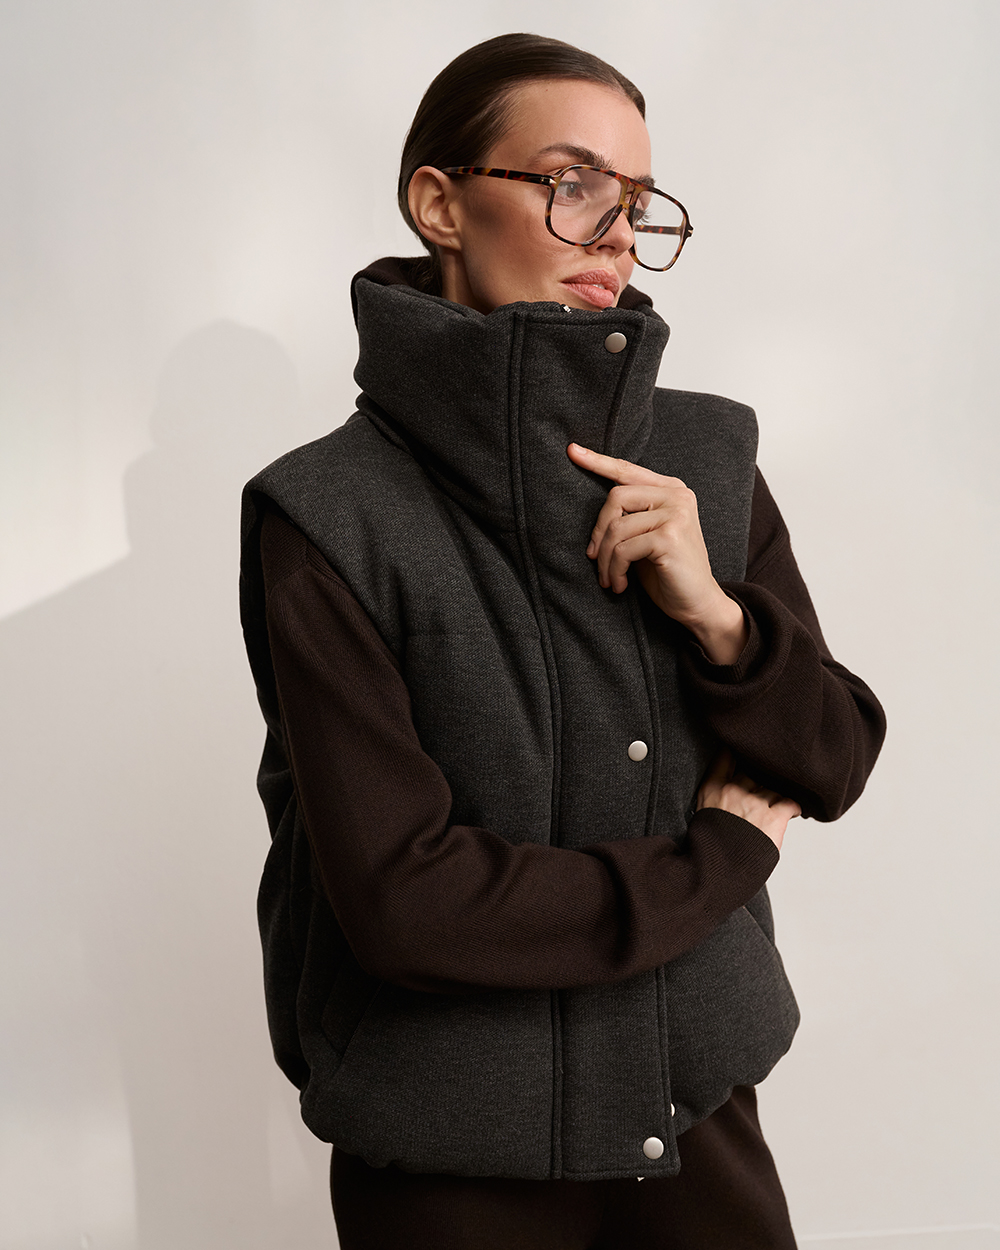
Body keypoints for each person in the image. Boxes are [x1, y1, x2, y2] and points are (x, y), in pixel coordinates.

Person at [239, 33, 886, 1250]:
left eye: (636, 201)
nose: (616, 236)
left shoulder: (704, 461)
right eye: (573, 182)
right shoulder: (326, 516)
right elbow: (406, 899)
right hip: (449, 1152)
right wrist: (713, 861)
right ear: (440, 202)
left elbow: (835, 754)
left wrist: (718, 614)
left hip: (695, 1121)